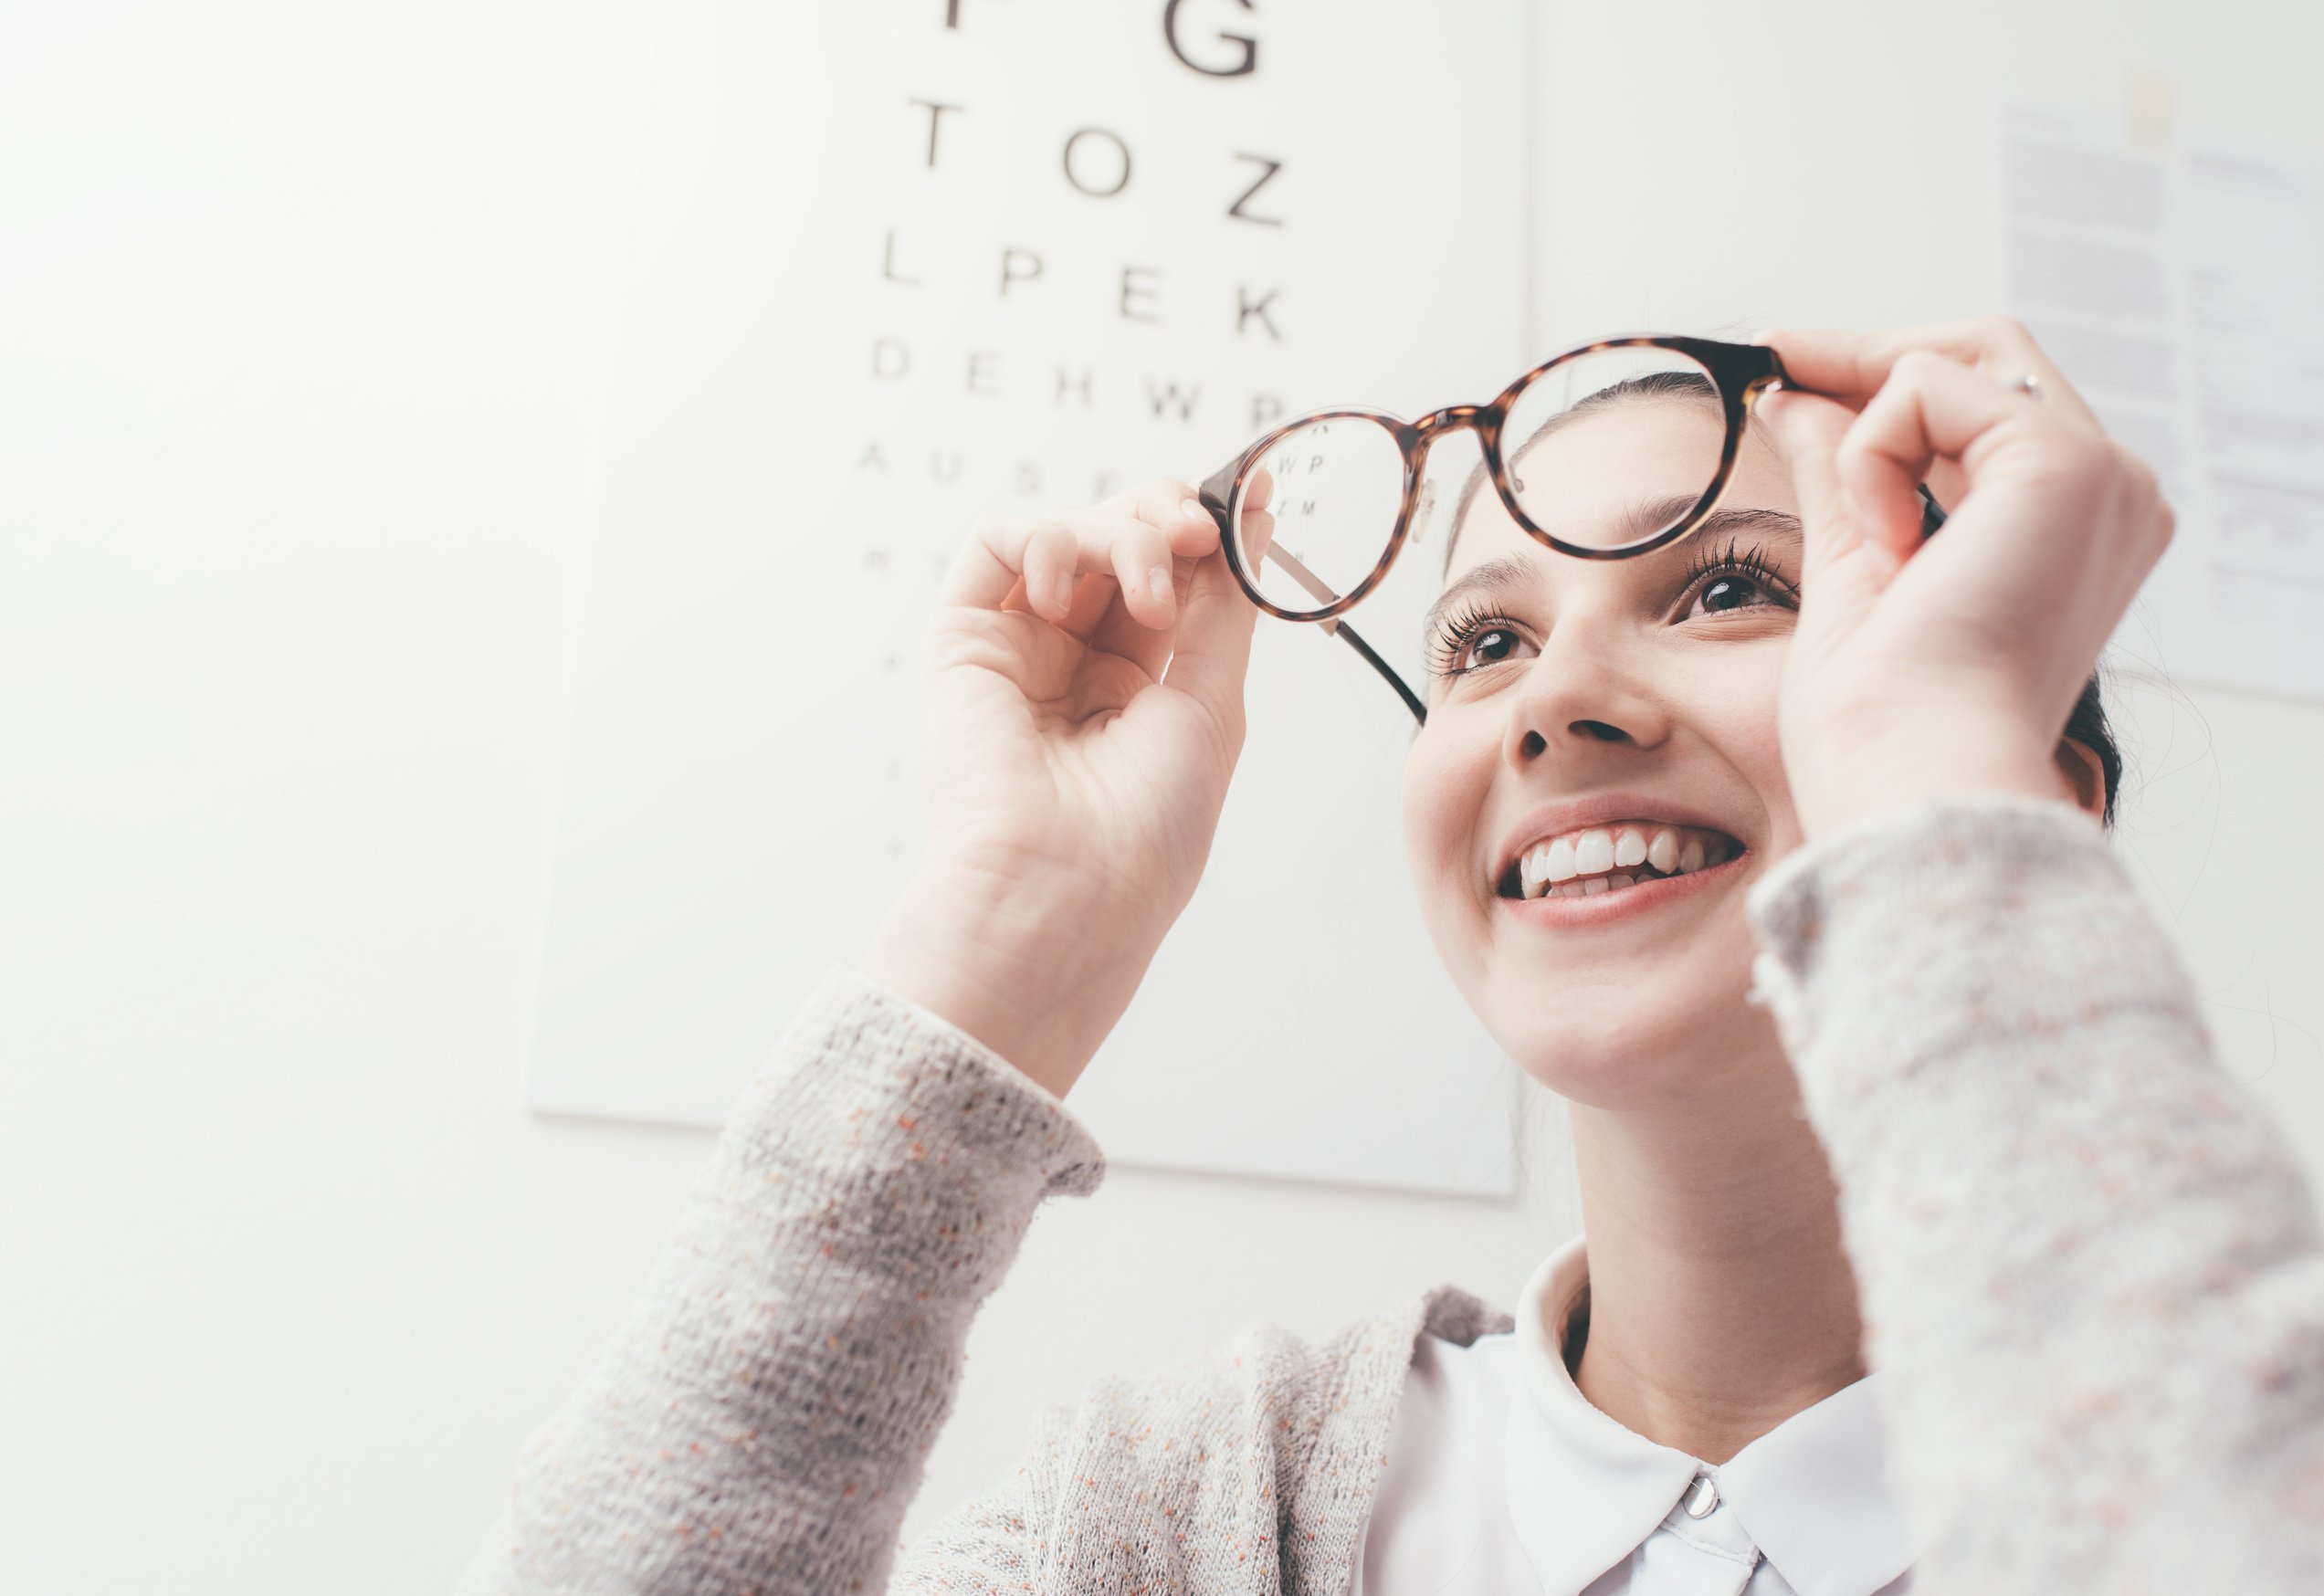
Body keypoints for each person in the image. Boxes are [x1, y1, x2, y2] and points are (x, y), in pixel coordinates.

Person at [455, 320, 2321, 1595]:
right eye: (1481, 643)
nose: (1558, 699)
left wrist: (1931, 775)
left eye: (1729, 586)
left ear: (2029, 791)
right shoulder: (1193, 1505)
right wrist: (1008, 925)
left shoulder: (2228, 1427)